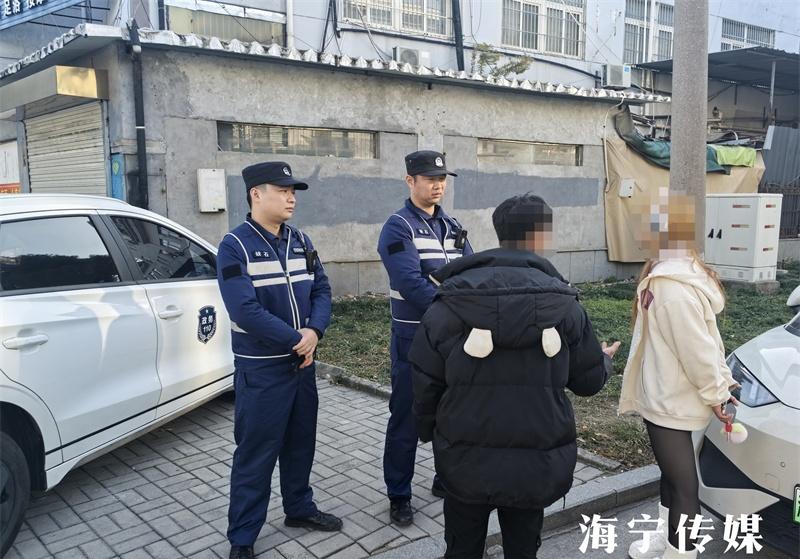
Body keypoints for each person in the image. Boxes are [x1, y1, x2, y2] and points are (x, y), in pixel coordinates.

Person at [408, 193, 619, 558]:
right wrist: (604, 360)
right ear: (540, 235)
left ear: (501, 232)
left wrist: (431, 431)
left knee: (461, 547)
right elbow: (587, 382)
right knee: (523, 548)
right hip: (535, 458)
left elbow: (425, 380)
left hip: (464, 456)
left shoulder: (451, 301)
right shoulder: (564, 305)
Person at [217, 162, 342, 559]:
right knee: (256, 453)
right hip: (262, 370)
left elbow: (322, 290)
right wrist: (298, 341)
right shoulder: (234, 246)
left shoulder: (301, 241)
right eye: (283, 190)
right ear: (256, 194)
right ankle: (242, 537)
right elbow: (244, 310)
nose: (291, 198)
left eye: (293, 191)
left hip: (302, 368)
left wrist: (315, 331)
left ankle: (299, 508)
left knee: (300, 444)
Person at [619, 190, 739, 559]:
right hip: (673, 396)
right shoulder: (673, 272)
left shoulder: (671, 286)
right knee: (673, 478)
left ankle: (680, 552)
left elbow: (697, 350)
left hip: (673, 400)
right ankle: (665, 540)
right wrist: (720, 386)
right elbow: (707, 342)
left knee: (684, 488)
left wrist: (718, 393)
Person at [377, 150, 474, 526]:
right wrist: (455, 306)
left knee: (450, 414)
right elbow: (410, 283)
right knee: (407, 417)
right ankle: (399, 494)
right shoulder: (398, 227)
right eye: (430, 179)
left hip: (452, 341)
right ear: (410, 181)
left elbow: (470, 272)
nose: (437, 186)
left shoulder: (452, 225)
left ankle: (444, 478)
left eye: (442, 179)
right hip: (413, 339)